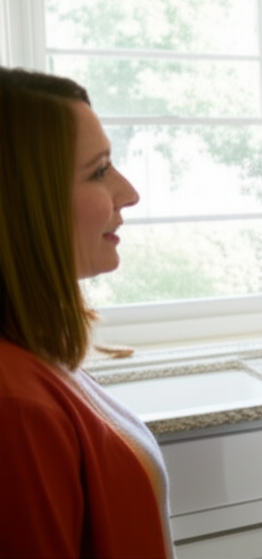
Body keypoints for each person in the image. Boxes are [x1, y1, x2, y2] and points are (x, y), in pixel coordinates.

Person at [0, 68, 172, 558]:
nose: (129, 192)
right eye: (99, 171)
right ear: (22, 201)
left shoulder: (38, 354)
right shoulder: (15, 405)